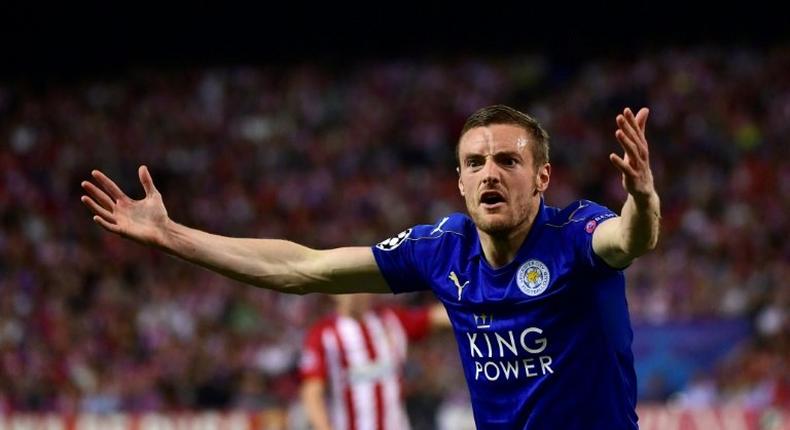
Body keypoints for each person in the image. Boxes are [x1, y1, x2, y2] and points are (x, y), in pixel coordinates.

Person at [81, 105, 660, 429]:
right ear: (459, 182)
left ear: (541, 177)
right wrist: (171, 234)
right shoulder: (443, 249)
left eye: (509, 160)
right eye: (475, 162)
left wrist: (643, 199)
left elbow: (626, 239)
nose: (490, 173)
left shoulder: (573, 234)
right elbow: (303, 268)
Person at [299, 294, 448, 430]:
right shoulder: (323, 334)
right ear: (334, 294)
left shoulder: (390, 320)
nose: (355, 294)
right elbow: (312, 393)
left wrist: (467, 295)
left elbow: (435, 316)